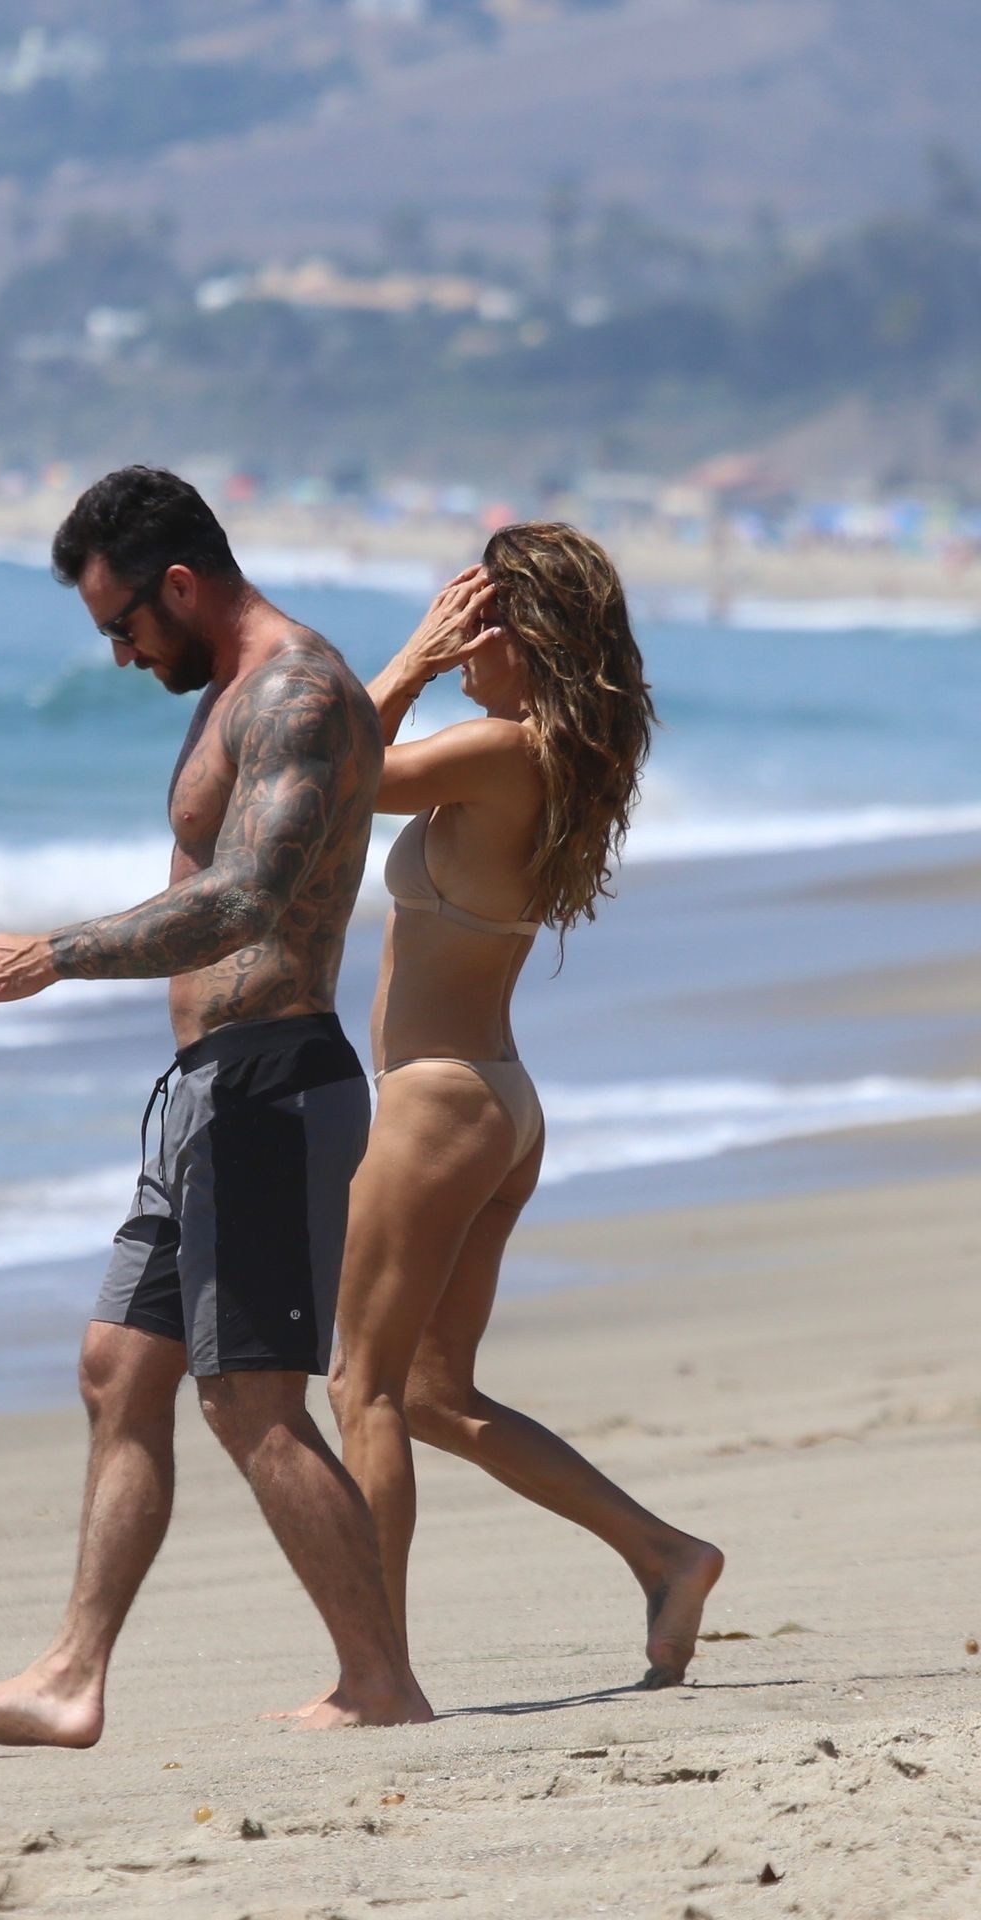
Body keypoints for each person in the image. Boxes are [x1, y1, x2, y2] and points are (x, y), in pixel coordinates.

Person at [0, 465, 431, 1743]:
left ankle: (380, 1683)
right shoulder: (237, 693)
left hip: (271, 1088)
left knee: (252, 1404)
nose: (118, 653)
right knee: (117, 1369)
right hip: (206, 1094)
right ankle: (70, 1678)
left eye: (123, 624)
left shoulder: (297, 691)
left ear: (182, 585)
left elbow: (249, 895)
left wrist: (55, 954)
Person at [319, 526, 723, 1705]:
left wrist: (407, 657)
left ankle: (373, 1680)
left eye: (477, 623)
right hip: (494, 1103)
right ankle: (664, 1555)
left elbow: (327, 778)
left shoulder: (500, 751)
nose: (461, 646)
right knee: (430, 1396)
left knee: (361, 1390)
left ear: (527, 635)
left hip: (438, 1105)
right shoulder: (557, 756)